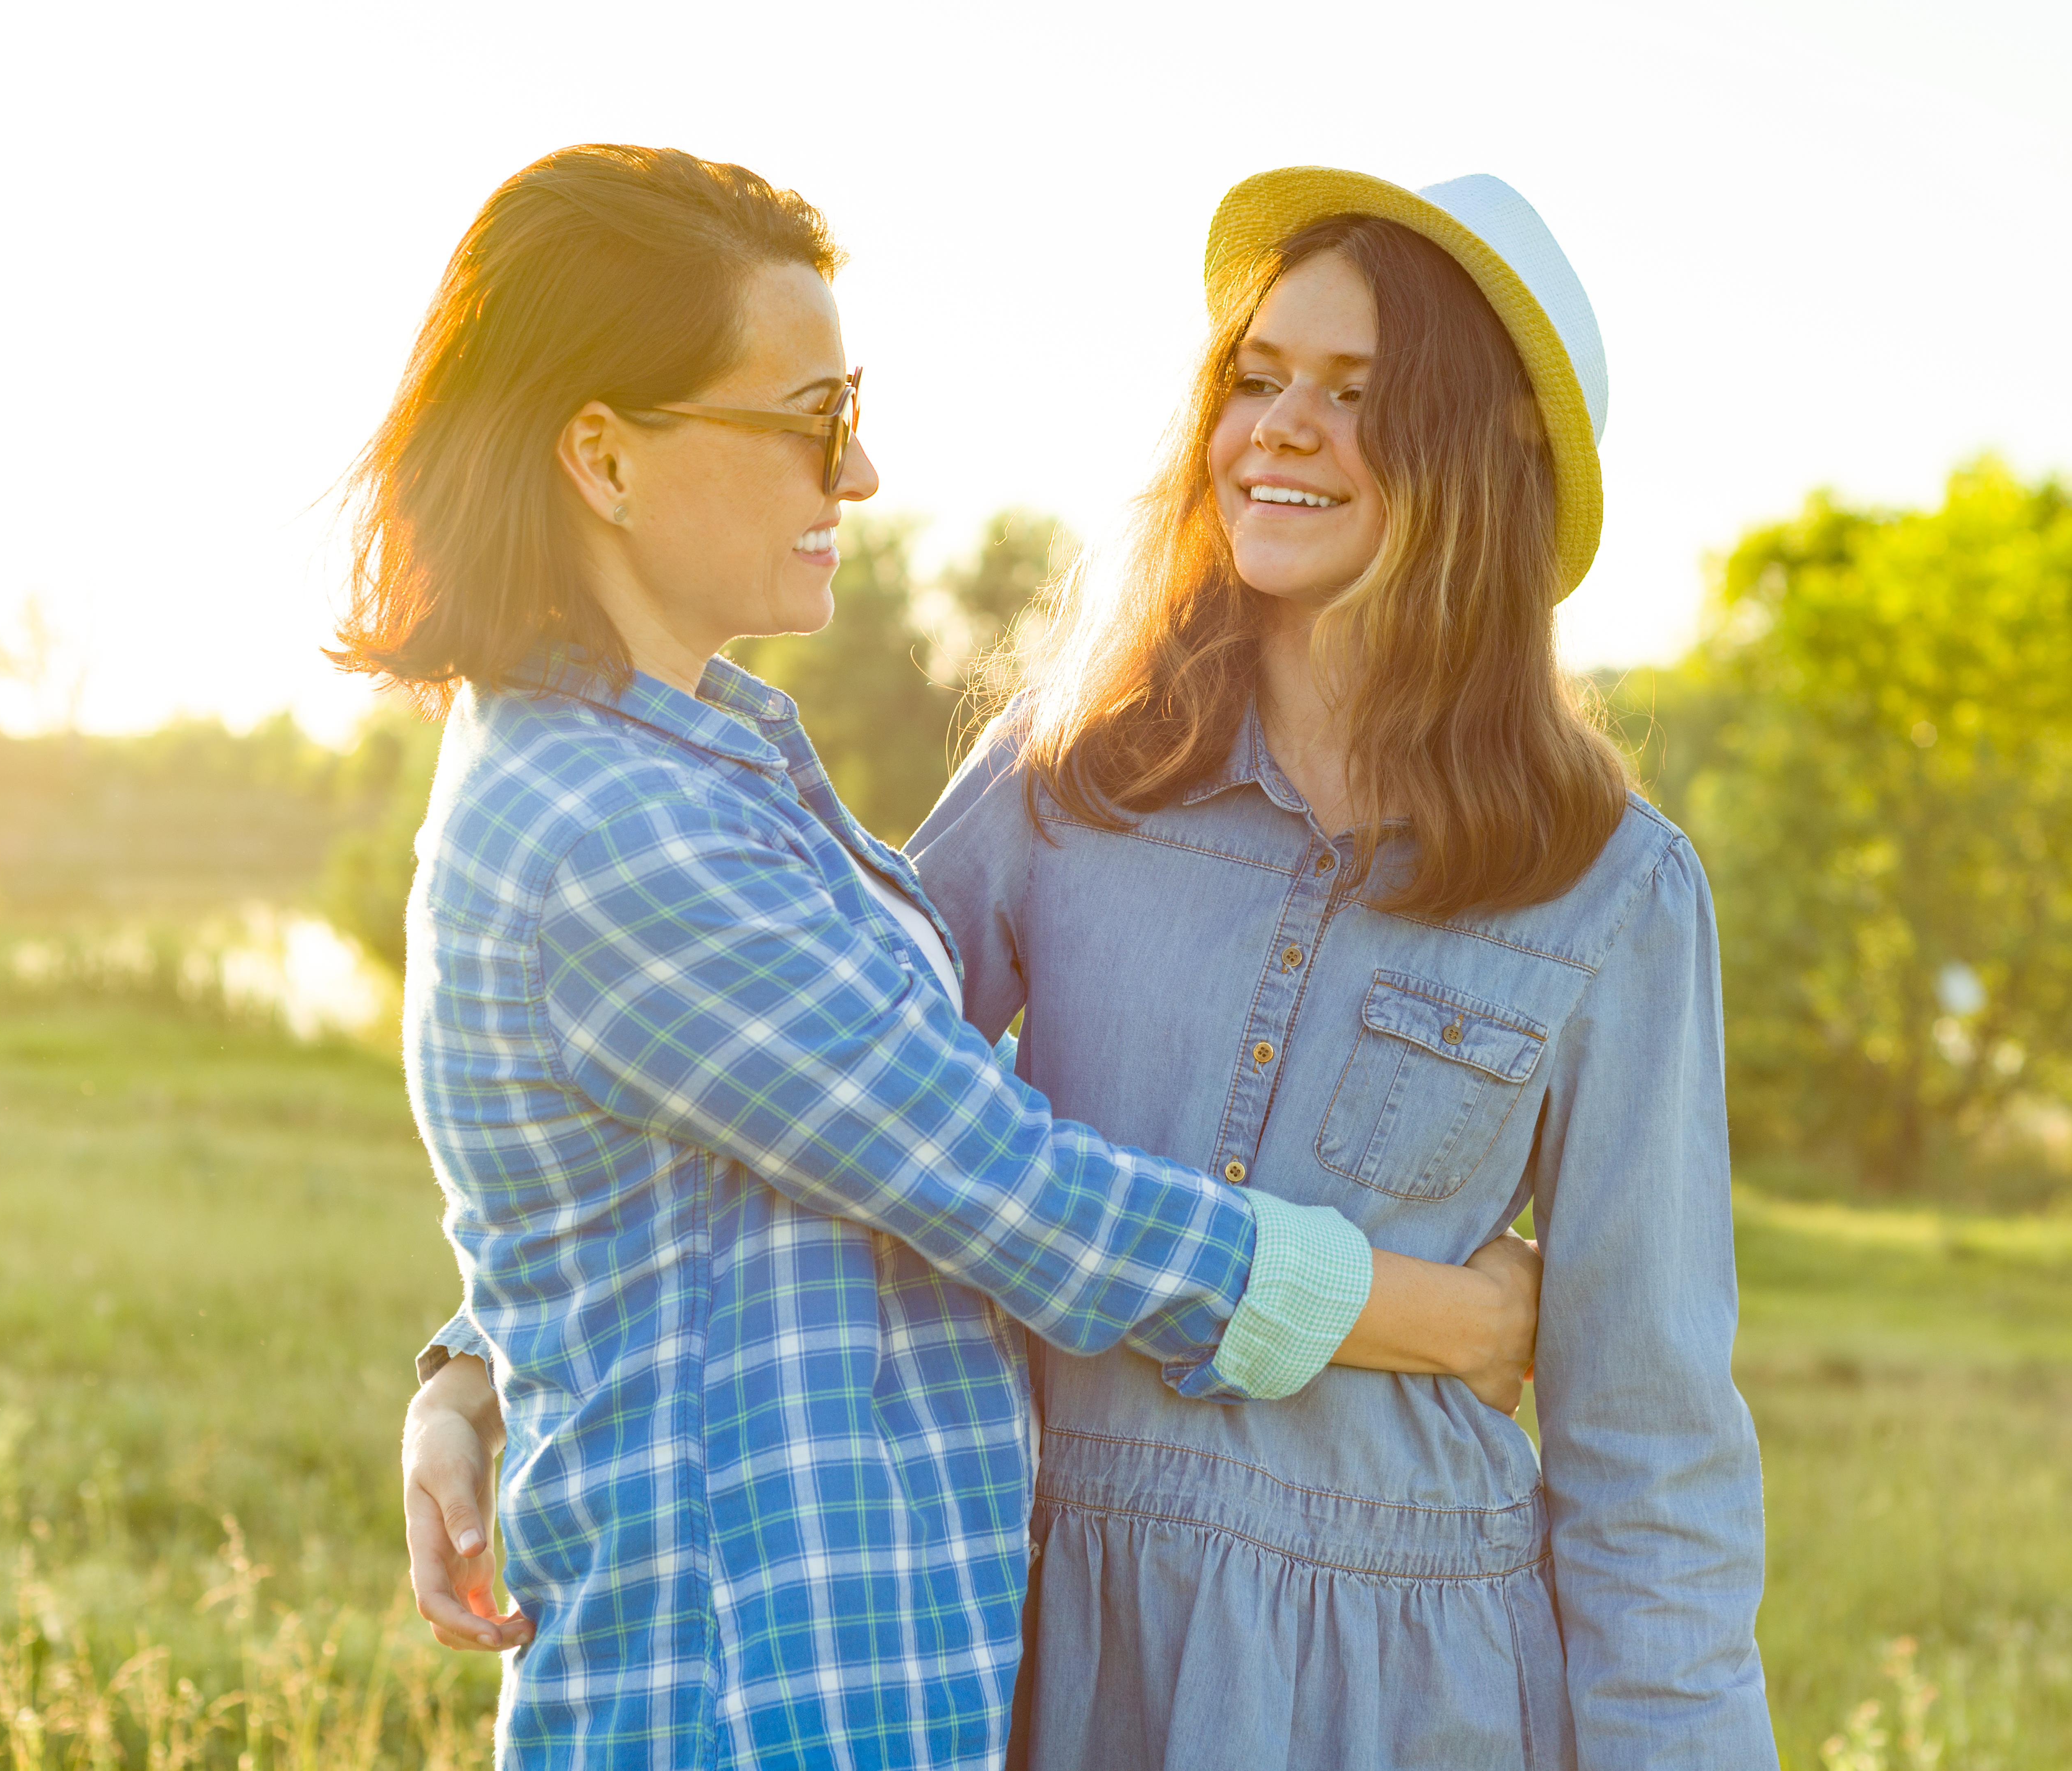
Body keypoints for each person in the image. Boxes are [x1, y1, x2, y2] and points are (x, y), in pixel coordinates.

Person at [344, 144, 1543, 1770]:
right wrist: (1448, 1320)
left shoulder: (696, 763)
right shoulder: (615, 834)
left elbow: (740, 1164)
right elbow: (1020, 1196)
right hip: (749, 1718)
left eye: (854, 407)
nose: (859, 473)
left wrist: (472, 1363)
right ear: (603, 458)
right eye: (805, 421)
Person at [906, 169, 1775, 1767]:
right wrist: (489, 1355)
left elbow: (1651, 1451)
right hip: (1053, 1629)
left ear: (1487, 455)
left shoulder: (1614, 887)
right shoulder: (1066, 778)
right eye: (1258, 377)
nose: (1278, 430)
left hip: (1417, 1680)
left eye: (1360, 394)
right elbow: (816, 1089)